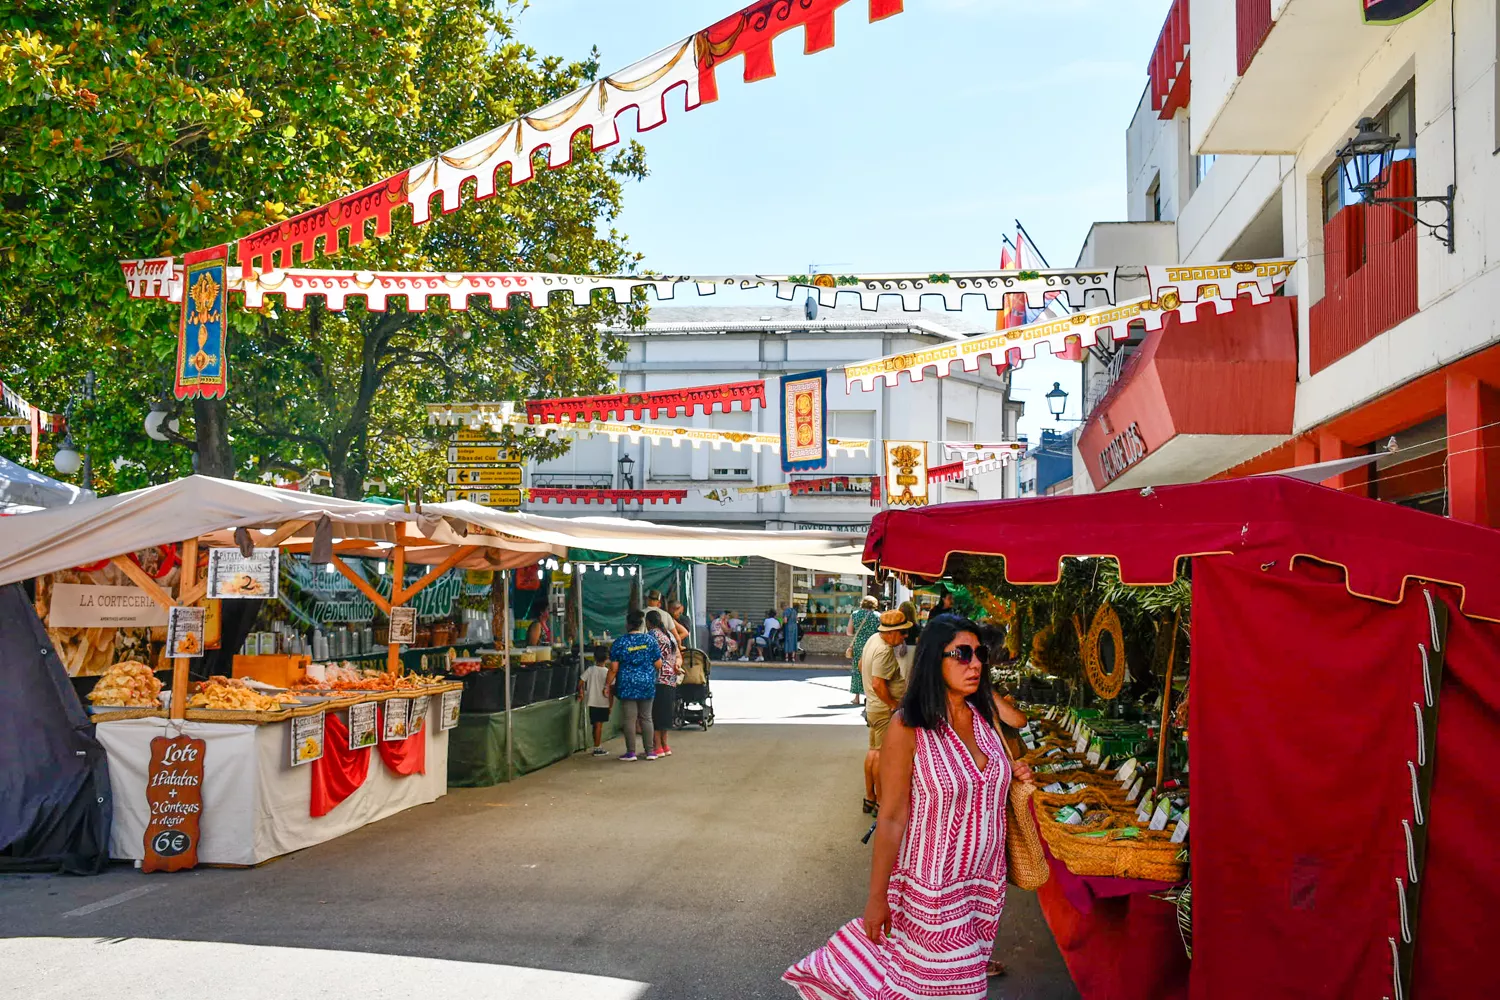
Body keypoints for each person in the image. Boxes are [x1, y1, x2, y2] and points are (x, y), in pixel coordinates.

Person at [784, 615, 1035, 1000]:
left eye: (980, 654)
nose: (976, 663)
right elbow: (891, 816)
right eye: (962, 654)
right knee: (954, 992)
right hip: (930, 889)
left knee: (932, 987)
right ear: (934, 659)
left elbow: (1000, 764)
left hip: (983, 888)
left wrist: (1015, 773)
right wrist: (876, 897)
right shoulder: (909, 726)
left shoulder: (984, 716)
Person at [860, 610, 910, 813]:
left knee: (873, 751)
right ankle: (880, 801)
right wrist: (893, 704)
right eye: (902, 632)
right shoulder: (884, 650)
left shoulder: (873, 639)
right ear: (892, 632)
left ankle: (870, 798)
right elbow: (878, 683)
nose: (905, 636)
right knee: (881, 756)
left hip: (873, 707)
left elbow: (861, 664)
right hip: (882, 710)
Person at [607, 610, 663, 762]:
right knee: (646, 718)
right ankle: (650, 751)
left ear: (627, 624)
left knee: (630, 719)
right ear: (641, 624)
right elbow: (658, 664)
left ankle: (631, 753)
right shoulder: (650, 641)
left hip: (627, 684)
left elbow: (614, 668)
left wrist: (607, 685)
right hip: (647, 684)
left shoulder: (620, 642)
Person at [646, 608, 683, 757]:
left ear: (648, 623)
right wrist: (677, 665)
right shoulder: (670, 636)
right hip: (671, 678)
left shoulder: (651, 636)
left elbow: (652, 659)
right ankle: (665, 745)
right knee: (666, 713)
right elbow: (679, 656)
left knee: (655, 713)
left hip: (657, 679)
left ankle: (657, 746)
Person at [578, 647, 613, 756]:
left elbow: (580, 682)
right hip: (603, 703)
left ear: (594, 657)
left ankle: (596, 745)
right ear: (607, 658)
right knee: (599, 726)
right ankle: (597, 747)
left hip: (592, 702)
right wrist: (611, 705)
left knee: (595, 725)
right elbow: (611, 690)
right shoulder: (608, 673)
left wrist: (581, 692)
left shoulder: (590, 670)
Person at [846, 595, 879, 707]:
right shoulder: (878, 616)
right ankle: (869, 696)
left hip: (859, 645)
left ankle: (856, 697)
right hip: (873, 644)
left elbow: (849, 632)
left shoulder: (855, 615)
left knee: (857, 669)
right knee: (871, 669)